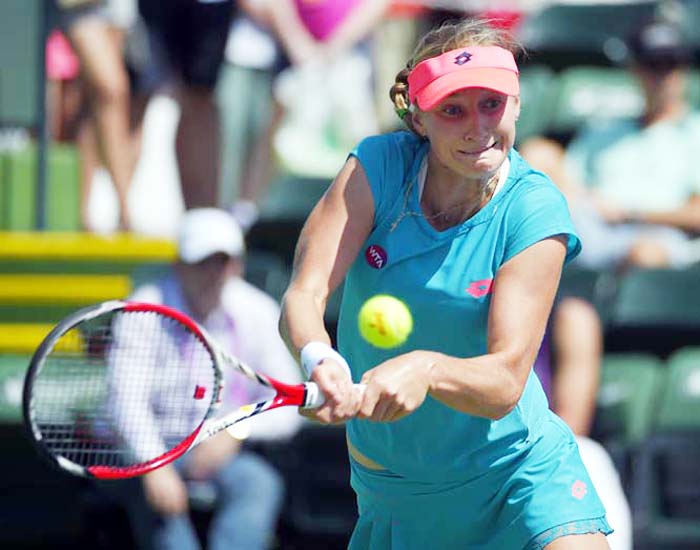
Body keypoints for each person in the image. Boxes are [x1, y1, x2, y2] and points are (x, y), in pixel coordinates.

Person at [279, 17, 612, 549]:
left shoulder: (535, 207)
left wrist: (426, 369)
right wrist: (317, 356)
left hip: (518, 476)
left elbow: (505, 383)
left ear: (517, 105)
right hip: (399, 490)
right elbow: (305, 292)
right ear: (418, 118)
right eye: (452, 110)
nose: (478, 127)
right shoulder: (376, 167)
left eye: (492, 104)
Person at [119, 208, 302, 549]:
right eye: (201, 262)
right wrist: (155, 466)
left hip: (225, 455)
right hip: (152, 450)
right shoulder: (143, 310)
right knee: (165, 522)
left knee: (258, 483)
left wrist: (235, 431)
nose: (214, 273)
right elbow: (126, 404)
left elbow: (289, 405)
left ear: (238, 266)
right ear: (178, 265)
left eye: (223, 262)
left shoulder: (258, 311)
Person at [520, 17, 700, 271]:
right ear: (635, 69)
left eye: (670, 64)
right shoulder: (607, 128)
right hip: (592, 225)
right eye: (652, 64)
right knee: (538, 153)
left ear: (684, 69)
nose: (662, 76)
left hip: (659, 234)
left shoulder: (695, 132)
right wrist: (586, 200)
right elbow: (572, 181)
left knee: (643, 255)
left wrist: (630, 213)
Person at [534, 297, 633, 550]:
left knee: (586, 454)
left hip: (536, 452)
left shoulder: (571, 317)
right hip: (456, 453)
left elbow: (571, 423)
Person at [137, 0, 235, 209]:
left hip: (208, 9)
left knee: (200, 99)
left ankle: (202, 213)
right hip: (150, 11)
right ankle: (123, 217)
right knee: (135, 96)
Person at [53, 0, 140, 230]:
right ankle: (125, 211)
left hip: (116, 9)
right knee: (111, 92)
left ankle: (82, 214)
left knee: (90, 107)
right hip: (81, 8)